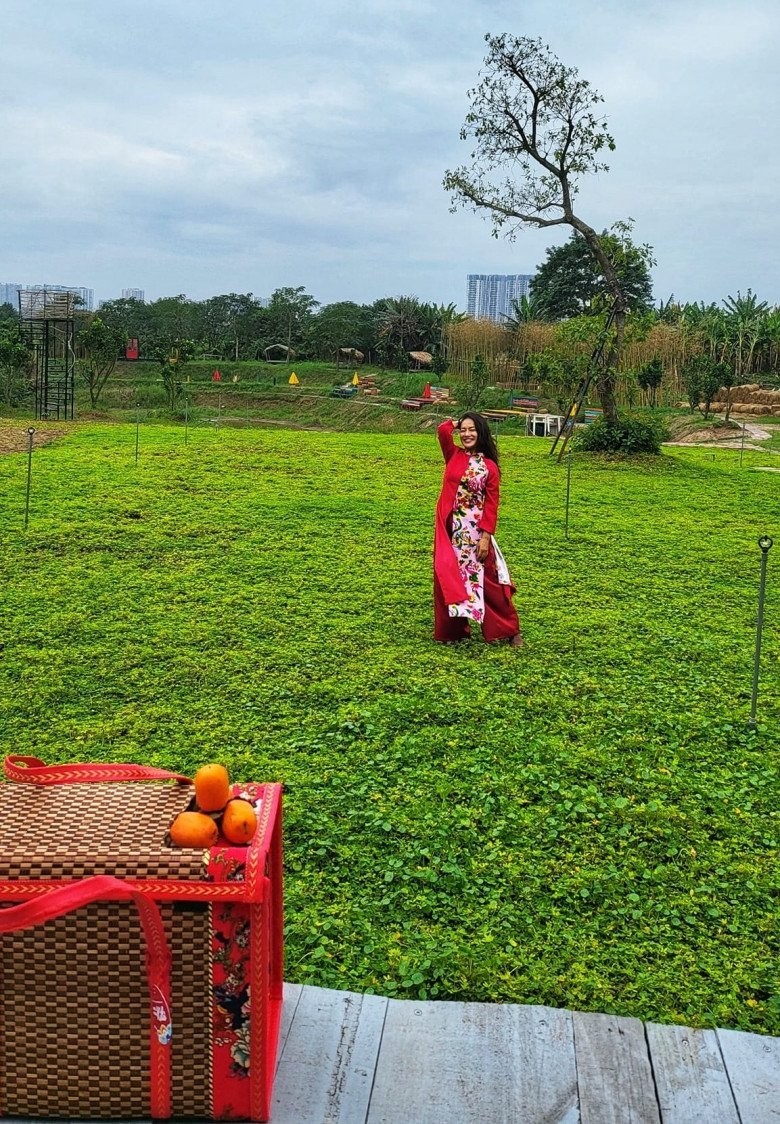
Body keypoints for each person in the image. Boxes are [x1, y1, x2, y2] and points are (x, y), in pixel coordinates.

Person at [433, 413, 522, 645]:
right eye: (463, 430)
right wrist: (455, 422)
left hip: (476, 532)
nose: (466, 434)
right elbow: (442, 431)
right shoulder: (454, 455)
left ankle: (509, 630)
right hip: (452, 531)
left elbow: (492, 503)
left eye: (472, 429)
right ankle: (452, 632)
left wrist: (485, 536)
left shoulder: (490, 467)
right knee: (448, 577)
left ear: (481, 432)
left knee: (490, 580)